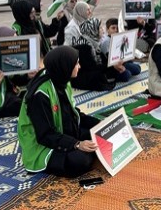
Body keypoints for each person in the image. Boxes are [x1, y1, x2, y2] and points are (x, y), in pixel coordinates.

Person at [17, 46, 100, 177]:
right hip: (42, 146)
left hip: (60, 132)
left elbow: (73, 113)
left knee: (97, 135)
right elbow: (45, 135)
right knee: (81, 161)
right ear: (65, 66)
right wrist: (76, 144)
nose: (79, 66)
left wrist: (100, 124)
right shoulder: (40, 95)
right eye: (76, 63)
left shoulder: (62, 79)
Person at [72, 17, 115, 91]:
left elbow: (101, 61)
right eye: (100, 28)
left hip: (91, 71)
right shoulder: (84, 46)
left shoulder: (94, 42)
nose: (103, 30)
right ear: (93, 30)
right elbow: (92, 67)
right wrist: (111, 65)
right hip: (81, 77)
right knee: (100, 75)